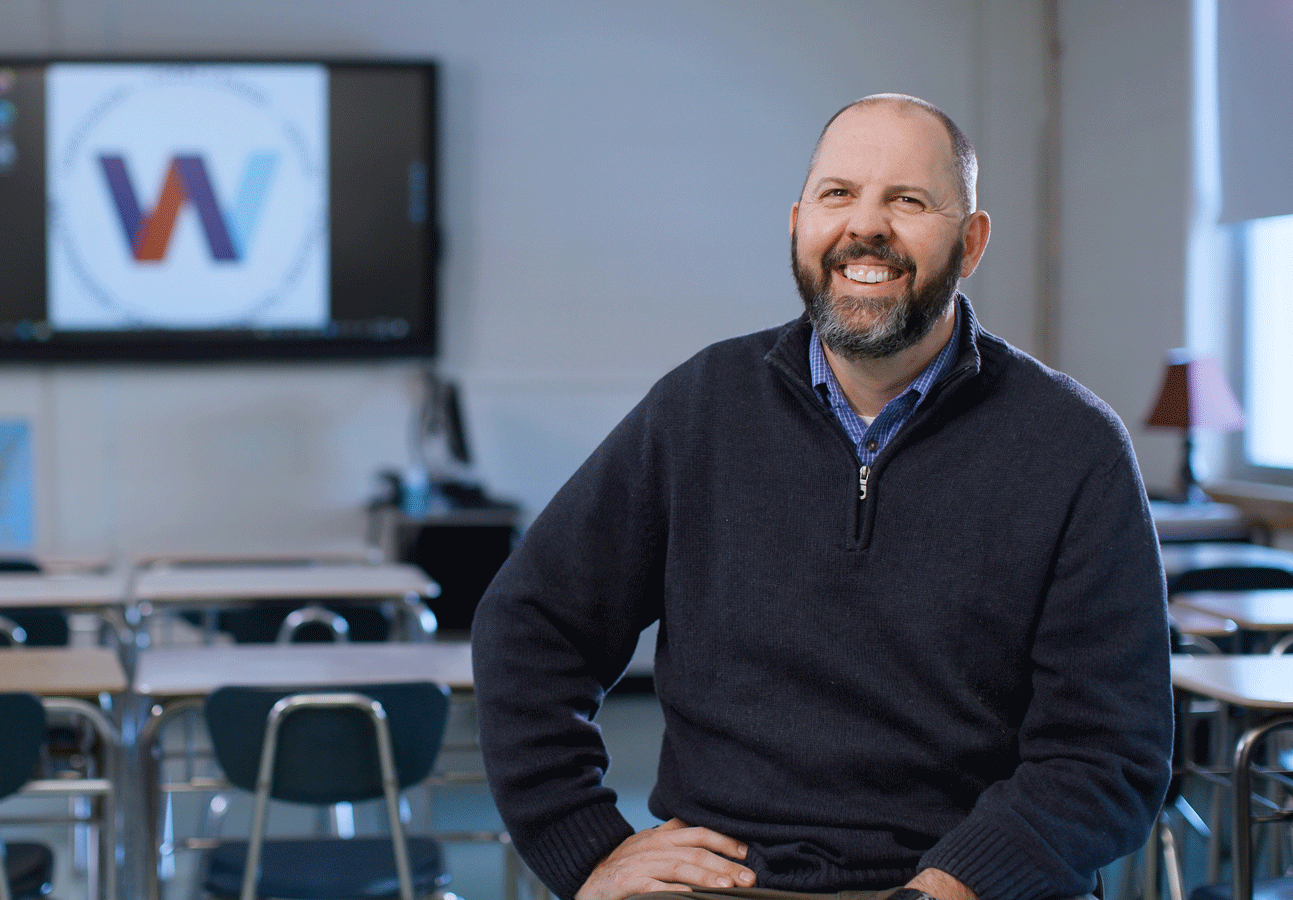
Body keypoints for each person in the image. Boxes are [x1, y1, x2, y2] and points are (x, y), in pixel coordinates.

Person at [470, 93, 1172, 900]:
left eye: (907, 200)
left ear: (971, 242)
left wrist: (950, 888)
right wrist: (586, 846)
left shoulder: (1073, 445)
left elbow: (1109, 750)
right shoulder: (700, 406)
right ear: (800, 223)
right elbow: (531, 624)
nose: (864, 227)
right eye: (839, 195)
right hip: (725, 885)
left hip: (964, 888)